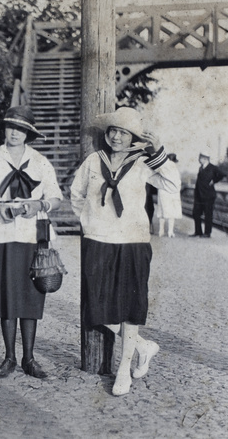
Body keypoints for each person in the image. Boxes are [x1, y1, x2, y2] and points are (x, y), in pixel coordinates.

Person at [70, 107, 180, 396]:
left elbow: (171, 184)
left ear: (133, 138)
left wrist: (159, 153)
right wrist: (89, 224)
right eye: (113, 131)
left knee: (130, 307)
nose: (117, 137)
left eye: (123, 133)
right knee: (96, 306)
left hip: (132, 242)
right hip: (98, 240)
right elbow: (76, 194)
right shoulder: (94, 160)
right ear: (106, 134)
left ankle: (123, 369)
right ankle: (143, 347)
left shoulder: (143, 162)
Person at [0, 105, 62, 379]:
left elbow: (55, 197)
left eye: (20, 129)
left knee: (31, 295)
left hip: (32, 236)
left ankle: (29, 358)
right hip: (2, 235)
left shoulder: (41, 162)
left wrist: (39, 204)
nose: (14, 133)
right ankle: (8, 357)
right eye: (10, 127)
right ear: (4, 130)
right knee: (6, 295)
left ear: (28, 133)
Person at [191, 150, 225, 238]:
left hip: (208, 195)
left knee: (208, 215)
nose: (199, 159)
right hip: (199, 195)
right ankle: (198, 232)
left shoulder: (213, 167)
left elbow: (222, 174)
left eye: (201, 158)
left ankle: (207, 233)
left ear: (206, 159)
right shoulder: (201, 167)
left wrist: (214, 181)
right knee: (195, 213)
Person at [157, 153, 182, 237]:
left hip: (162, 191)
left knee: (162, 212)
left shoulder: (162, 167)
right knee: (171, 213)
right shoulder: (174, 168)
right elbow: (178, 182)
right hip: (172, 193)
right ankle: (170, 232)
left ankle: (161, 231)